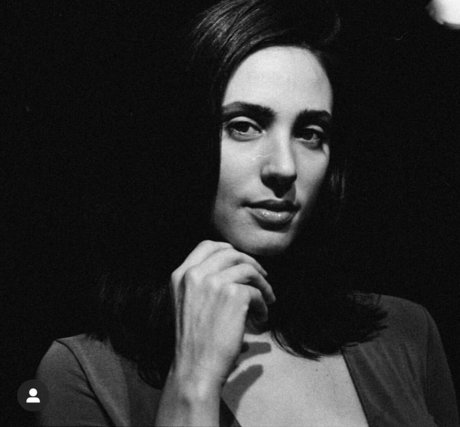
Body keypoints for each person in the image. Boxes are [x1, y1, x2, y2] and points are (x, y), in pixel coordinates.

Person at [36, 0, 459, 425]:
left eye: (310, 134)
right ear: (182, 141)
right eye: (243, 126)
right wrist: (194, 381)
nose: (284, 167)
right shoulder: (83, 375)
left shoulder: (406, 333)